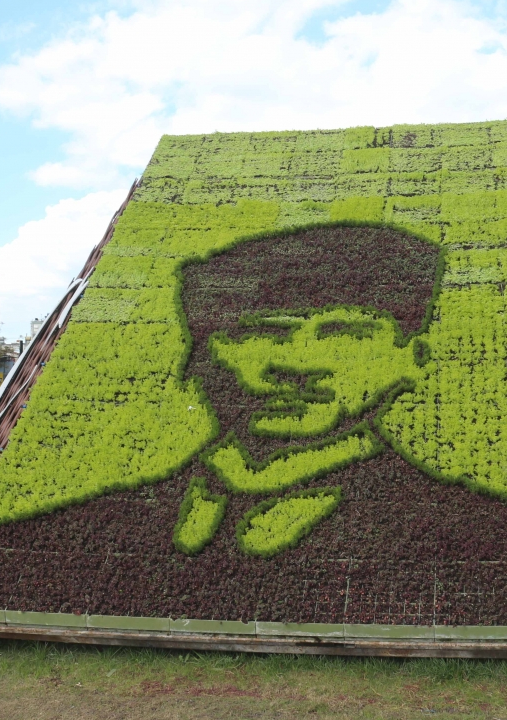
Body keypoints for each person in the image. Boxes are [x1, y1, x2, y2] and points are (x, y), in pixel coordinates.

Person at [177, 224, 439, 554]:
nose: (296, 367)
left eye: (341, 335)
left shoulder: (435, 527)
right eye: (267, 334)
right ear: (205, 357)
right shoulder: (133, 515)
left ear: (414, 356)